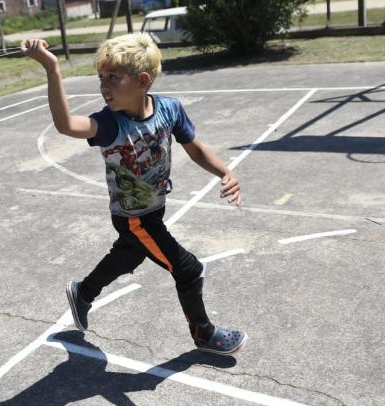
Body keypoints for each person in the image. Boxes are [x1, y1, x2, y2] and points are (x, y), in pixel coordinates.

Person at [21, 33, 247, 355]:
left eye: (113, 78)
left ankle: (82, 292)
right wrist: (52, 68)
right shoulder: (109, 124)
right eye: (101, 78)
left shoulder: (170, 109)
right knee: (188, 269)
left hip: (154, 209)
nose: (104, 86)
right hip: (135, 218)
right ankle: (204, 334)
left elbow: (194, 149)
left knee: (128, 256)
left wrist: (226, 172)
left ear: (142, 80)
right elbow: (67, 125)